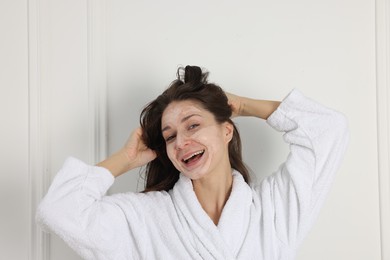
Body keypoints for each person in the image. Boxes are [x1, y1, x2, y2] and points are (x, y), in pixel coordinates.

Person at [36, 65, 349, 259]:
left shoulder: (273, 212)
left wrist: (243, 105)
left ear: (227, 130)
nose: (182, 142)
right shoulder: (147, 219)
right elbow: (60, 210)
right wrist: (125, 159)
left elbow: (328, 131)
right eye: (170, 136)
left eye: (193, 125)